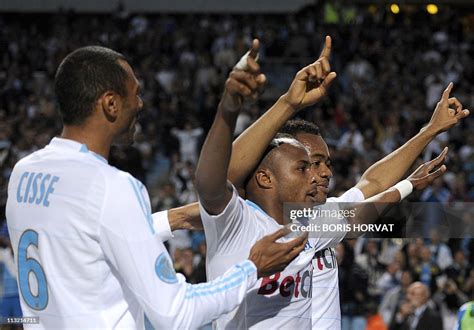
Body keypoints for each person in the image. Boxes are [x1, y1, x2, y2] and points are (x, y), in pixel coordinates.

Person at [5, 46, 307, 329]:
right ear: (111, 103)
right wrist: (251, 268)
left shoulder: (24, 172)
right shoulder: (113, 187)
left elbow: (84, 235)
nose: (140, 104)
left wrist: (173, 220)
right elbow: (176, 313)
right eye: (135, 94)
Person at [195, 35, 450, 328]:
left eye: (320, 165)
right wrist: (243, 106)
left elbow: (369, 194)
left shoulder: (311, 223)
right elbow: (213, 178)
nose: (322, 174)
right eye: (306, 166)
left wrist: (422, 149)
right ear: (266, 177)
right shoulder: (236, 220)